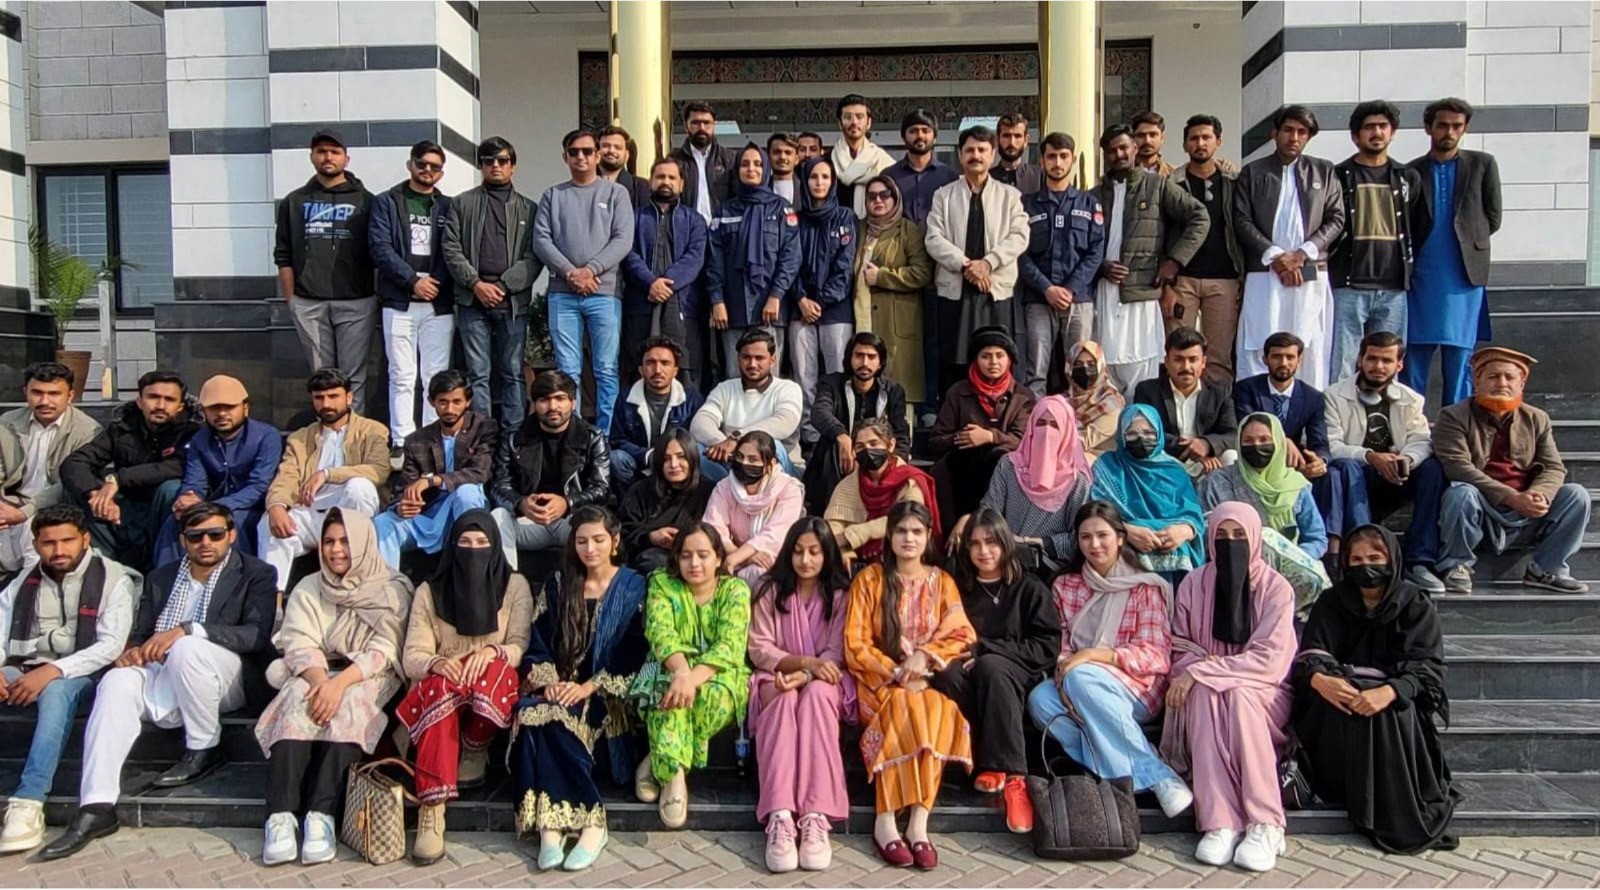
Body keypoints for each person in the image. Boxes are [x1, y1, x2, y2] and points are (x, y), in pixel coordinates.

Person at [40, 502, 277, 862]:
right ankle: (96, 806)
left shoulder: (255, 573)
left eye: (215, 534)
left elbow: (256, 636)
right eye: (196, 536)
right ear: (183, 540)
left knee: (187, 647)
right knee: (116, 681)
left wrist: (187, 629)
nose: (206, 543)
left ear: (231, 535)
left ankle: (204, 747)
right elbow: (140, 633)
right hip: (162, 673)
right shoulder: (161, 577)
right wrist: (133, 651)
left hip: (223, 680)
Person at [255, 509, 412, 867]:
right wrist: (320, 681)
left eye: (345, 541)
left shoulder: (393, 587)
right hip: (316, 672)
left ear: (364, 543)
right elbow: (298, 639)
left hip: (369, 676)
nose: (336, 550)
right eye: (328, 541)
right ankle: (280, 817)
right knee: (296, 699)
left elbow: (386, 649)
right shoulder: (310, 586)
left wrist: (340, 683)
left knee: (353, 703)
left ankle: (320, 815)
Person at [1294, 523, 1458, 854]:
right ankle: (1343, 789)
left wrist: (1390, 691)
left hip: (1391, 701)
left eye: (1374, 558)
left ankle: (1389, 809)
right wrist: (1320, 680)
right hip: (1338, 696)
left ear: (1391, 560)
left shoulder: (1414, 603)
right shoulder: (1332, 601)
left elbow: (1427, 668)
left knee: (1389, 710)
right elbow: (1311, 653)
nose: (1365, 566)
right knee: (1340, 702)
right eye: (1356, 560)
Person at [1025, 501, 1194, 820]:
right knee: (1040, 701)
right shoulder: (1066, 586)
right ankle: (1128, 769)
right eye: (1085, 537)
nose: (1095, 544)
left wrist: (1094, 656)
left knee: (1084, 677)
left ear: (1120, 538)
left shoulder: (1144, 586)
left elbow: (1155, 654)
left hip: (1137, 687)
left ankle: (1156, 777)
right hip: (1075, 682)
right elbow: (1062, 647)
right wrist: (1064, 677)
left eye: (1102, 535)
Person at [1160, 503, 1296, 873]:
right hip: (1204, 686)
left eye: (1239, 535)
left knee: (1238, 696)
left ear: (1255, 538)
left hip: (1262, 690)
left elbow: (1269, 660)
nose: (1230, 542)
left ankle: (1266, 822)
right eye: (1221, 535)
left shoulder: (1275, 588)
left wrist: (1207, 670)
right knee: (1206, 694)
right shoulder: (1194, 583)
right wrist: (1201, 673)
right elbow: (1179, 646)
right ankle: (1220, 820)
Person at [514, 506, 647, 870]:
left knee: (555, 719)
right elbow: (538, 642)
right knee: (536, 713)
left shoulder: (634, 587)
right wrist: (551, 682)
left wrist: (588, 687)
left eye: (599, 540)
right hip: (560, 688)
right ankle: (555, 829)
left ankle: (585, 826)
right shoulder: (560, 584)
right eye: (582, 541)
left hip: (608, 698)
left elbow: (635, 653)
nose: (590, 549)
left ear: (615, 542)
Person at [397, 510, 533, 864]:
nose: (474, 551)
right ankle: (432, 809)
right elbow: (413, 656)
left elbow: (519, 645)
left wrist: (490, 652)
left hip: (489, 684)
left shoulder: (514, 585)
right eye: (465, 543)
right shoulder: (429, 591)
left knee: (498, 671)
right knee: (438, 689)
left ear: (495, 546)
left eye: (482, 543)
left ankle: (474, 749)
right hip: (447, 683)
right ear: (452, 546)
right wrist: (437, 663)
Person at [844, 501, 975, 870]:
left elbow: (962, 633)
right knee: (907, 706)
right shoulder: (870, 580)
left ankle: (919, 821)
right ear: (889, 536)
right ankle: (885, 819)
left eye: (917, 531)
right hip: (876, 684)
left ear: (928, 536)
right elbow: (855, 644)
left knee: (937, 708)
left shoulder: (942, 581)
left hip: (925, 682)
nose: (909, 538)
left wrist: (925, 657)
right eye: (901, 530)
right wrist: (898, 671)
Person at [0, 506, 136, 856]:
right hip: (24, 666)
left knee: (56, 692)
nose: (58, 550)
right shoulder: (23, 580)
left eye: (67, 541)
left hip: (84, 674)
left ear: (85, 539)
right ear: (36, 544)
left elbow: (111, 645)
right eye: (49, 543)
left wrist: (54, 671)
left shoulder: (113, 578)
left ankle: (28, 803)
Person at [933, 508, 1059, 834]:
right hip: (970, 673)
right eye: (974, 544)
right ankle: (979, 760)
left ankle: (1014, 776)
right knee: (947, 674)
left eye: (991, 542)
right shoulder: (959, 588)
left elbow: (1046, 647)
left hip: (1019, 672)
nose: (983, 551)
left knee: (992, 668)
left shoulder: (1029, 588)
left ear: (1005, 543)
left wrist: (988, 650)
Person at [1433, 346, 1591, 594]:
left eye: (1509, 377)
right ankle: (1456, 565)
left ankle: (1546, 569)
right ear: (1476, 380)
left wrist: (1539, 494)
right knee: (1460, 492)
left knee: (1576, 495)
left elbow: (1553, 466)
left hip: (1526, 509)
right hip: (1481, 506)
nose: (1502, 383)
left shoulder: (1537, 418)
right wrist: (1511, 497)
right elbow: (1457, 466)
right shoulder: (1453, 416)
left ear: (1522, 383)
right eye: (1493, 376)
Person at [747, 518, 855, 873]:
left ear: (827, 554)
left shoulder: (839, 595)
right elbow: (760, 648)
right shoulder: (768, 589)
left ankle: (815, 815)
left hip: (823, 677)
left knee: (817, 697)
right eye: (797, 552)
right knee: (783, 700)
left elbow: (835, 652)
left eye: (814, 552)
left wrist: (808, 674)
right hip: (776, 674)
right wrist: (800, 665)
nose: (805, 560)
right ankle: (779, 814)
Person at [638, 522, 752, 830]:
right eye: (686, 555)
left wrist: (690, 679)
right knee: (667, 692)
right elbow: (660, 633)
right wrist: (680, 671)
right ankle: (674, 779)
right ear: (676, 559)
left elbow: (730, 645)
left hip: (720, 671)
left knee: (710, 697)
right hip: (667, 666)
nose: (694, 563)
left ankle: (657, 758)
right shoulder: (662, 583)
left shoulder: (735, 590)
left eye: (703, 555)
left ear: (718, 558)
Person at [1321, 332, 1448, 592]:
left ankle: (1420, 560)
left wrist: (1406, 459)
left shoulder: (1411, 399)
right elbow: (1331, 445)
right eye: (1372, 359)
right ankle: (1362, 551)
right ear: (1360, 360)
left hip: (1396, 475)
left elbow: (1421, 440)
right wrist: (1371, 456)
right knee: (1345, 466)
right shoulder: (1333, 395)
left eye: (1387, 360)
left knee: (1432, 469)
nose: (1378, 366)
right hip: (1358, 477)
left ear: (1399, 365)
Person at [1233, 105, 1346, 389]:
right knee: (1259, 342)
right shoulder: (1253, 172)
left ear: (1308, 137)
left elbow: (1337, 218)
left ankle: (1308, 409)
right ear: (1275, 133)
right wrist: (1276, 257)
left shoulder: (1324, 171)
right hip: (1264, 272)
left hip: (1310, 271)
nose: (1294, 137)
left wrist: (1302, 254)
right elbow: (1241, 219)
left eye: (1301, 132)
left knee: (1309, 344)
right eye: (1288, 130)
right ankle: (1257, 409)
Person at [1093, 124, 1210, 393]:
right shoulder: (1095, 195)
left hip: (1142, 293)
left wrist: (1175, 261)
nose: (1119, 154)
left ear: (1134, 148)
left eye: (1124, 148)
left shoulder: (1157, 186)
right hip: (1104, 291)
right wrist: (1101, 266)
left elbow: (1199, 217)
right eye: (1112, 150)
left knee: (1141, 368)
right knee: (1105, 366)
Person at [534, 128, 636, 434]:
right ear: (565, 157)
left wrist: (590, 270)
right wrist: (571, 273)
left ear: (598, 155)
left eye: (587, 151)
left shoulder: (616, 194)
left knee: (606, 370)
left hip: (604, 294)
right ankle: (571, 435)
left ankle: (606, 437)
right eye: (574, 152)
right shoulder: (553, 195)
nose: (581, 157)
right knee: (567, 371)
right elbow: (541, 240)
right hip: (562, 294)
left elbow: (623, 239)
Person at [1405, 98, 1502, 406]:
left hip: (1463, 275)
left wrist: (1468, 240)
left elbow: (1493, 216)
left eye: (1456, 126)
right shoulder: (1411, 171)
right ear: (1428, 128)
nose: (1449, 132)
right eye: (1442, 125)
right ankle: (1412, 425)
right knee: (1414, 355)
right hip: (1421, 277)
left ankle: (1456, 424)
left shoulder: (1483, 165)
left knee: (1460, 358)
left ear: (1465, 128)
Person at [442, 136, 543, 433]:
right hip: (472, 300)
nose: (496, 165)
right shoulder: (462, 203)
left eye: (502, 160)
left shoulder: (529, 208)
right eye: (489, 161)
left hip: (512, 302)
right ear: (481, 166)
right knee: (477, 373)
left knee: (513, 372)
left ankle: (513, 436)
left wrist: (503, 286)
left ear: (513, 166)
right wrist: (476, 284)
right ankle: (482, 434)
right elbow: (451, 248)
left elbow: (535, 255)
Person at [258, 369, 390, 594]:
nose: (326, 404)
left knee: (360, 487)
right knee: (269, 522)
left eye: (333, 396)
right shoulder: (300, 438)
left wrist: (327, 474)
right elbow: (287, 477)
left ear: (349, 397)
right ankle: (272, 601)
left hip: (350, 511)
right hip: (311, 511)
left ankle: (359, 581)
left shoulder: (372, 430)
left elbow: (378, 471)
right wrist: (276, 506)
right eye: (319, 398)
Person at [273, 130, 376, 412]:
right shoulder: (294, 201)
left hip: (356, 301)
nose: (327, 157)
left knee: (354, 378)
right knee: (322, 380)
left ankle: (354, 434)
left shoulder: (367, 201)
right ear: (312, 157)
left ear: (346, 158)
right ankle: (328, 434)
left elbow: (379, 251)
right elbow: (283, 253)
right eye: (321, 151)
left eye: (334, 151)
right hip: (309, 303)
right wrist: (292, 300)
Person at [60, 370, 200, 574]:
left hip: (162, 510)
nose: (160, 405)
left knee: (172, 488)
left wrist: (118, 479)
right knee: (75, 490)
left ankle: (166, 570)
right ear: (140, 401)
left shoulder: (193, 432)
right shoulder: (122, 429)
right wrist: (96, 495)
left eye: (169, 399)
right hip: (123, 508)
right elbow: (75, 463)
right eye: (153, 397)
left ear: (180, 406)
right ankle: (105, 569)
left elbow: (178, 466)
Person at [925, 125, 1030, 394]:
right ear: (960, 155)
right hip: (956, 292)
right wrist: (966, 265)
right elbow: (933, 239)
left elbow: (1020, 235)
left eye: (982, 150)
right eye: (970, 150)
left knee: (996, 362)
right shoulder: (943, 195)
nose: (976, 156)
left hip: (994, 292)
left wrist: (988, 263)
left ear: (992, 154)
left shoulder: (1009, 196)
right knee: (954, 365)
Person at [370, 139, 455, 451]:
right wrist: (411, 281)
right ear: (410, 164)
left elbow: (453, 249)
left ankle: (434, 438)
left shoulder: (449, 206)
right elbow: (380, 247)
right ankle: (402, 440)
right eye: (422, 164)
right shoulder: (386, 202)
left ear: (441, 173)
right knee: (402, 375)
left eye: (435, 167)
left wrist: (435, 282)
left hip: (438, 302)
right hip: (399, 300)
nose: (427, 170)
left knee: (436, 375)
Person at [1199, 413, 1331, 612]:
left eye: (1264, 440)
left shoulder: (1296, 485)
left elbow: (1316, 538)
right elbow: (1205, 531)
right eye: (1248, 441)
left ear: (1278, 442)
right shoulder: (1217, 482)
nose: (1257, 446)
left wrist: (1290, 557)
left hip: (1288, 571)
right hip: (1233, 568)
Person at [1329, 101, 1421, 380]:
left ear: (1393, 132)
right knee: (1343, 364)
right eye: (1369, 127)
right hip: (1349, 283)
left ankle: (1383, 410)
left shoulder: (1406, 177)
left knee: (1387, 365)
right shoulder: (1338, 175)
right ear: (1355, 136)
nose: (1377, 132)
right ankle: (1342, 410)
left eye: (1383, 126)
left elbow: (1419, 226)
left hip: (1393, 286)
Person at [373, 370, 497, 569]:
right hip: (430, 516)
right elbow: (403, 489)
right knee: (383, 522)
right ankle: (387, 584)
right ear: (432, 402)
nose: (450, 409)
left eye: (457, 402)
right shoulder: (417, 440)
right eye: (443, 402)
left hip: (468, 510)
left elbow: (480, 472)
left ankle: (471, 572)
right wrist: (401, 506)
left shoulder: (483, 427)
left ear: (468, 402)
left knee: (466, 492)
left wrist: (431, 480)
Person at [155, 375, 281, 568]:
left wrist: (213, 507)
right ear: (204, 411)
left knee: (229, 522)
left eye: (229, 407)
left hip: (252, 508)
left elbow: (259, 486)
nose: (222, 413)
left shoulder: (267, 436)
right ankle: (165, 579)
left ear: (245, 408)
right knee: (176, 521)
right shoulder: (200, 440)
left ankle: (237, 580)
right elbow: (194, 481)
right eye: (214, 408)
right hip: (210, 505)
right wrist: (187, 499)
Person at [490, 370, 610, 564]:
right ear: (535, 404)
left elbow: (601, 488)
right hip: (528, 520)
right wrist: (521, 503)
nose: (553, 407)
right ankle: (507, 580)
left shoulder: (592, 437)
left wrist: (567, 503)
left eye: (560, 399)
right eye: (544, 400)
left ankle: (587, 583)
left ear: (573, 402)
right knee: (497, 517)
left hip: (571, 521)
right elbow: (499, 486)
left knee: (594, 522)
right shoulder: (514, 437)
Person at [966, 395, 1093, 576]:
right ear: (1031, 428)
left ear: (1066, 431)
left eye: (1055, 425)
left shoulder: (1077, 480)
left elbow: (1079, 536)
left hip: (1051, 567)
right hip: (1004, 556)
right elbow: (989, 512)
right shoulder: (1009, 466)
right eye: (1040, 423)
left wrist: (1036, 543)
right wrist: (1007, 541)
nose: (1047, 432)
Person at [1018, 132, 1105, 395]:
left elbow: (1096, 250)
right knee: (1035, 373)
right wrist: (1047, 288)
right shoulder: (1026, 205)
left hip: (1078, 299)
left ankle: (1080, 419)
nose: (1057, 162)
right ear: (1042, 161)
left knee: (1082, 371)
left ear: (1073, 160)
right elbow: (1020, 253)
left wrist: (1069, 289)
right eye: (1052, 156)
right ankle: (1036, 419)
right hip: (1038, 299)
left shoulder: (1089, 204)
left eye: (1063, 156)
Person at [707, 144, 800, 373]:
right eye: (745, 164)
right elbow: (713, 260)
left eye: (758, 164)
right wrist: (717, 300)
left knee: (769, 379)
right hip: (732, 308)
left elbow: (791, 257)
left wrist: (776, 295)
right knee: (734, 377)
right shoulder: (724, 211)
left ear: (766, 169)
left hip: (770, 309)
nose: (751, 169)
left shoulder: (782, 209)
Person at [0, 363, 100, 574]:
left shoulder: (88, 431)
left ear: (70, 396)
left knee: (35, 560)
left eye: (54, 394)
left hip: (54, 510)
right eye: (37, 393)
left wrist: (24, 512)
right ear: (25, 392)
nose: (44, 401)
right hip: (9, 505)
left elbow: (69, 483)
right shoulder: (6, 422)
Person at [929, 327, 1036, 522]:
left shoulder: (1023, 396)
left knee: (1000, 458)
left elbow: (1025, 442)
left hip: (1005, 475)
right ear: (975, 360)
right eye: (986, 356)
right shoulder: (958, 392)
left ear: (1009, 360)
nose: (993, 362)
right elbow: (936, 441)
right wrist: (963, 438)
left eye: (999, 355)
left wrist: (990, 437)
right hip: (963, 475)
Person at [620, 158, 709, 389]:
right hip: (641, 302)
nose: (666, 182)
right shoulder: (633, 218)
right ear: (651, 181)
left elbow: (694, 257)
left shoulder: (694, 221)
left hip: (680, 304)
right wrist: (650, 282)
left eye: (672, 177)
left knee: (683, 367)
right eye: (660, 177)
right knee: (639, 366)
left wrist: (667, 284)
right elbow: (627, 253)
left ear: (682, 184)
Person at [1168, 114, 1244, 385]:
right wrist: (1166, 283)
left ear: (1218, 141)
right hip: (1183, 280)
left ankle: (1217, 410)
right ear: (1185, 144)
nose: (1200, 143)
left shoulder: (1234, 182)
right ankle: (1177, 408)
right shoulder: (1171, 184)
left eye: (1206, 137)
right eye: (1194, 138)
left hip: (1224, 279)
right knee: (1178, 352)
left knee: (1219, 357)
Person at [1089, 405, 1206, 577]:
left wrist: (1183, 531)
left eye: (1149, 433)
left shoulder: (1174, 470)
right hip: (1123, 551)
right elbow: (1096, 513)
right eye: (1132, 433)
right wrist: (1125, 531)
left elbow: (1193, 515)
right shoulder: (1107, 467)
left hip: (1173, 551)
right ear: (1121, 436)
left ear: (1159, 434)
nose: (1141, 439)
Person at [790, 156, 859, 447]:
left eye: (825, 177)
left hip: (836, 310)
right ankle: (809, 436)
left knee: (837, 375)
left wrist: (819, 301)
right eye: (813, 177)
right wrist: (801, 299)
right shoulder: (794, 219)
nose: (819, 183)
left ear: (833, 182)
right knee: (804, 376)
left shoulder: (845, 217)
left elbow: (845, 266)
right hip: (799, 310)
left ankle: (838, 433)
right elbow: (789, 263)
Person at [804, 332, 911, 515]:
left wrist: (898, 460)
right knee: (831, 445)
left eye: (871, 357)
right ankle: (828, 514)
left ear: (880, 362)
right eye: (859, 355)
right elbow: (819, 413)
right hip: (839, 459)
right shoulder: (832, 383)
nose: (865, 363)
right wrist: (842, 436)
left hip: (875, 455)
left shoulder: (893, 390)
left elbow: (900, 433)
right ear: (849, 358)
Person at [852, 176, 933, 407]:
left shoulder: (907, 230)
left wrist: (882, 276)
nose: (878, 200)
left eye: (884, 195)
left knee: (898, 393)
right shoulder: (859, 229)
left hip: (895, 321)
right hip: (862, 316)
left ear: (895, 198)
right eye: (872, 196)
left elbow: (923, 273)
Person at [691, 328, 806, 479]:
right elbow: (700, 423)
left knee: (772, 445)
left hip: (779, 468)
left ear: (772, 360)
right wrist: (723, 444)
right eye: (746, 357)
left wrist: (737, 439)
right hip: (732, 463)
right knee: (694, 450)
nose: (752, 364)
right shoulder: (725, 388)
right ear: (738, 359)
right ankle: (732, 488)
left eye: (759, 358)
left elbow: (784, 422)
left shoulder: (788, 388)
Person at [824, 418, 938, 565]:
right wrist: (844, 551)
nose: (867, 450)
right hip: (859, 562)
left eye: (873, 443)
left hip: (905, 558)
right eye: (860, 446)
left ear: (891, 445)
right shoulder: (848, 485)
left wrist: (855, 535)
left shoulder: (910, 480)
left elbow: (907, 517)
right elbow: (833, 525)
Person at [1133, 328, 1238, 479]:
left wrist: (1206, 444)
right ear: (1166, 362)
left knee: (1231, 456)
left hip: (1209, 463)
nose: (1186, 367)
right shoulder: (1148, 391)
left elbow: (1232, 434)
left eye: (1193, 360)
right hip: (1167, 459)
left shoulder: (1219, 392)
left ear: (1203, 362)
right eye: (1178, 359)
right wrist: (1192, 451)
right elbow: (1147, 433)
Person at [704, 431, 806, 587]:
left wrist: (735, 558)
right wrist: (742, 557)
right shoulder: (724, 487)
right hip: (733, 558)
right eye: (740, 457)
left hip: (774, 560)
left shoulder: (788, 489)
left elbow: (774, 535)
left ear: (770, 465)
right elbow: (714, 529)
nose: (744, 463)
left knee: (760, 574)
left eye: (753, 459)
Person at [1233, 332, 1330, 485]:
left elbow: (1319, 441)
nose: (1284, 363)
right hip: (1257, 456)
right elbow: (1247, 425)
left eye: (1290, 357)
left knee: (1329, 474)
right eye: (1277, 357)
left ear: (1299, 360)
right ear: (1265, 359)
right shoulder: (1246, 389)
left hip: (1293, 463)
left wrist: (1320, 460)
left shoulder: (1313, 397)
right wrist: (1282, 441)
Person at [609, 337, 705, 491]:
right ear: (641, 370)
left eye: (665, 363)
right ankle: (630, 503)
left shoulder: (691, 400)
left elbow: (695, 440)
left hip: (676, 465)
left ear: (675, 371)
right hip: (641, 464)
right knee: (616, 458)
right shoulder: (625, 398)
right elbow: (617, 440)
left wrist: (667, 455)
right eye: (650, 363)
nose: (658, 370)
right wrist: (648, 455)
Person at [617, 428, 713, 574]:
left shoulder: (709, 491)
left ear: (692, 458)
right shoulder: (641, 491)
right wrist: (650, 537)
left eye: (681, 457)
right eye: (666, 459)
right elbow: (623, 535)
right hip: (651, 561)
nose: (674, 464)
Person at [884, 108, 958, 226]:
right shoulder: (889, 176)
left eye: (926, 131)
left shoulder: (949, 176)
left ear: (935, 137)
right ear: (903, 137)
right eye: (913, 131)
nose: (920, 135)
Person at [671, 101, 739, 222]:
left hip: (721, 229)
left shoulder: (730, 159)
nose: (701, 128)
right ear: (686, 126)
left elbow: (737, 198)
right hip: (687, 229)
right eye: (695, 123)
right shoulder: (674, 161)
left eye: (706, 123)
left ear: (714, 126)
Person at [831, 93, 895, 216]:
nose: (854, 122)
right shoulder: (828, 163)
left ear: (869, 123)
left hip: (874, 225)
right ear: (840, 123)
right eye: (848, 117)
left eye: (859, 117)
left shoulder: (883, 162)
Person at [1065, 341, 1125, 461]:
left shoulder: (1111, 403)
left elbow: (1084, 441)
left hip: (1103, 464)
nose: (1085, 369)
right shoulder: (1063, 401)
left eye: (1091, 364)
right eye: (1078, 364)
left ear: (1100, 367)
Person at [596, 124, 652, 209]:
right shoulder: (584, 182)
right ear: (597, 151)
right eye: (606, 146)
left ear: (626, 155)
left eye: (617, 147)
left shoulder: (640, 186)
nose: (611, 150)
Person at [990, 114, 1042, 195]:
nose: (1012, 142)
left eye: (1017, 136)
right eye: (1006, 136)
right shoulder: (987, 179)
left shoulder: (1040, 177)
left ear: (1026, 140)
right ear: (997, 139)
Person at [1131, 111, 1174, 176]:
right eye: (1141, 135)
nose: (1147, 141)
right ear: (1132, 138)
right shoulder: (1122, 173)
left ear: (1162, 137)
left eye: (1153, 135)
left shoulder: (1175, 175)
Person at [767, 132, 801, 207]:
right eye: (777, 152)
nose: (782, 157)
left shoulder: (806, 191)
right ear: (768, 157)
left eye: (788, 153)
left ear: (796, 159)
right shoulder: (760, 191)